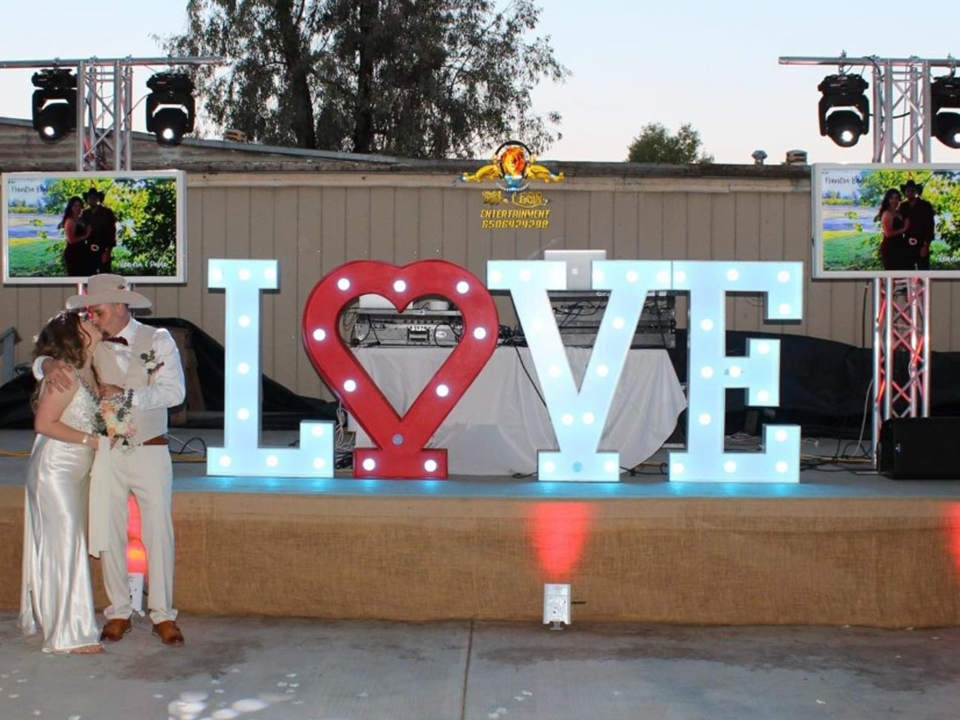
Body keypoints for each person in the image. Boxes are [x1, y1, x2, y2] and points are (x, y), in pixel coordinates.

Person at [36, 274, 186, 646]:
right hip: (106, 452)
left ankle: (163, 614)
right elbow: (53, 351)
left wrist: (128, 394)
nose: (92, 317)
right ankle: (118, 610)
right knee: (108, 531)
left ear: (120, 306)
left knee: (158, 531)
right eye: (89, 312)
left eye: (98, 310)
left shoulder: (159, 339)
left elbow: (175, 392)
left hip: (151, 447)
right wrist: (45, 364)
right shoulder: (92, 341)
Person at [20, 310, 103, 654]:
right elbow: (44, 423)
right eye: (87, 321)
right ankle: (69, 634)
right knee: (65, 545)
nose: (94, 322)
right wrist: (91, 441)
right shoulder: (64, 373)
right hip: (56, 469)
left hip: (74, 470)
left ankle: (65, 622)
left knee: (66, 544)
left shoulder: (86, 371)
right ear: (75, 335)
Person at [899, 179, 936, 271]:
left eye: (912, 190)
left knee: (923, 270)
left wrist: (926, 246)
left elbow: (930, 226)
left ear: (916, 191)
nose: (910, 192)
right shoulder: (903, 206)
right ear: (905, 192)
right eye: (908, 190)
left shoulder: (925, 205)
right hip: (906, 243)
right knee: (907, 270)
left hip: (921, 242)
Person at [79, 187, 117, 275]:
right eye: (90, 198)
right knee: (90, 275)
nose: (92, 200)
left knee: (104, 276)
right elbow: (81, 232)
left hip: (103, 249)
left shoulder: (107, 212)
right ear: (87, 200)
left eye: (94, 197)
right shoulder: (85, 214)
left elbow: (112, 233)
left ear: (98, 199)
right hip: (89, 250)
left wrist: (108, 252)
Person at [876, 188, 911, 271]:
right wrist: (904, 229)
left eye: (896, 198)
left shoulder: (897, 211)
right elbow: (888, 234)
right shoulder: (887, 213)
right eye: (891, 198)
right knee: (893, 272)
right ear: (887, 199)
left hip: (900, 245)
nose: (894, 200)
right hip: (890, 247)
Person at [59, 196, 94, 277]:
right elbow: (71, 240)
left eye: (79, 205)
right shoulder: (70, 220)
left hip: (82, 251)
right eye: (74, 206)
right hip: (73, 253)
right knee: (76, 277)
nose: (77, 208)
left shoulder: (80, 219)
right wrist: (86, 235)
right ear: (70, 207)